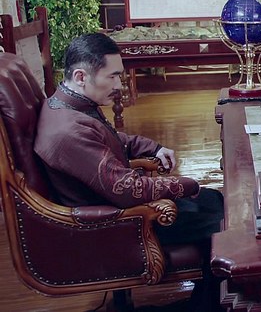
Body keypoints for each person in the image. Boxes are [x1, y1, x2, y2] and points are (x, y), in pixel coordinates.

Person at [34, 33, 224, 311]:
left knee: (217, 202)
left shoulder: (69, 105)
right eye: (112, 77)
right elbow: (126, 190)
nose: (118, 85)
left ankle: (207, 298)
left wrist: (153, 147)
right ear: (80, 76)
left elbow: (109, 139)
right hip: (114, 224)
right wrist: (187, 184)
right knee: (226, 220)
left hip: (116, 207)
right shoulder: (68, 131)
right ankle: (209, 304)